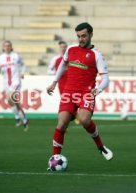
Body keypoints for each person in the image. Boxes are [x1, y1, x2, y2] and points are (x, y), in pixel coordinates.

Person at [46, 22, 113, 166]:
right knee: (61, 122)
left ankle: (101, 147)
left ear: (91, 35)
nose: (81, 39)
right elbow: (63, 64)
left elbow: (106, 79)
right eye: (78, 36)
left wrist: (98, 89)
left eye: (83, 36)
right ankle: (55, 159)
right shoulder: (70, 49)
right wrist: (54, 82)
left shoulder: (96, 55)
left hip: (86, 93)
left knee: (84, 120)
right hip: (69, 92)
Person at [0, 40, 29, 131]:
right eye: (5, 46)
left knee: (11, 98)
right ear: (3, 48)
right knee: (12, 101)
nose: (7, 47)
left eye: (8, 45)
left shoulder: (16, 56)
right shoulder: (0, 58)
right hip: (6, 83)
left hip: (16, 81)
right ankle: (22, 118)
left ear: (11, 47)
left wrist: (22, 73)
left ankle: (21, 119)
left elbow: (23, 64)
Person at [47, 40, 81, 125]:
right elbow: (49, 70)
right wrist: (56, 74)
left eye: (65, 47)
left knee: (74, 100)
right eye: (62, 47)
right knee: (65, 101)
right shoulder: (55, 59)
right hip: (61, 84)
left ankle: (74, 115)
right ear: (59, 48)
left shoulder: (71, 57)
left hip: (72, 82)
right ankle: (65, 120)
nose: (63, 48)